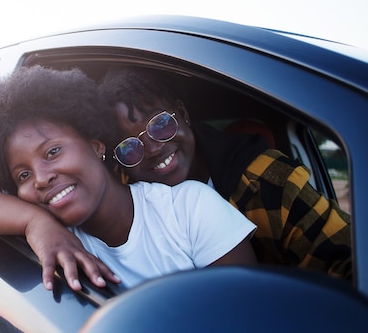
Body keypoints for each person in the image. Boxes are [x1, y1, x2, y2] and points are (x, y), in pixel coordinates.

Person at [0, 66, 256, 291]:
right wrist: (33, 222)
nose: (42, 178)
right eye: (22, 174)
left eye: (52, 152)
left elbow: (249, 314)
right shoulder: (43, 221)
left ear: (97, 145)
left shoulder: (189, 207)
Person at [98, 66, 353, 281]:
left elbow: (347, 258)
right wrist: (55, 231)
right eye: (129, 147)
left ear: (183, 114)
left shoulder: (266, 181)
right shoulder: (125, 193)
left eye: (161, 124)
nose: (152, 148)